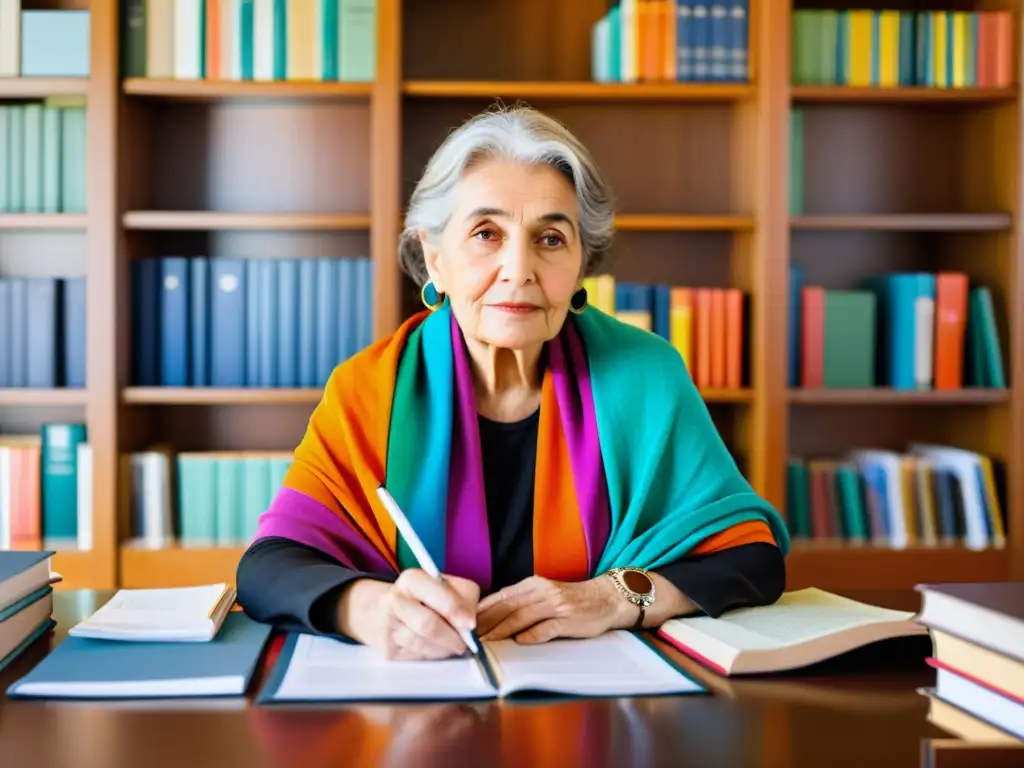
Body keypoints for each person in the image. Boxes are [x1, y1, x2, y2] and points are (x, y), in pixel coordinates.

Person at [236, 105, 789, 661]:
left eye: (550, 238)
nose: (518, 268)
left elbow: (750, 558)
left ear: (580, 263)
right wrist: (370, 609)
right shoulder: (367, 388)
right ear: (435, 258)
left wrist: (613, 596)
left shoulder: (647, 376)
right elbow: (269, 567)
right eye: (485, 233)